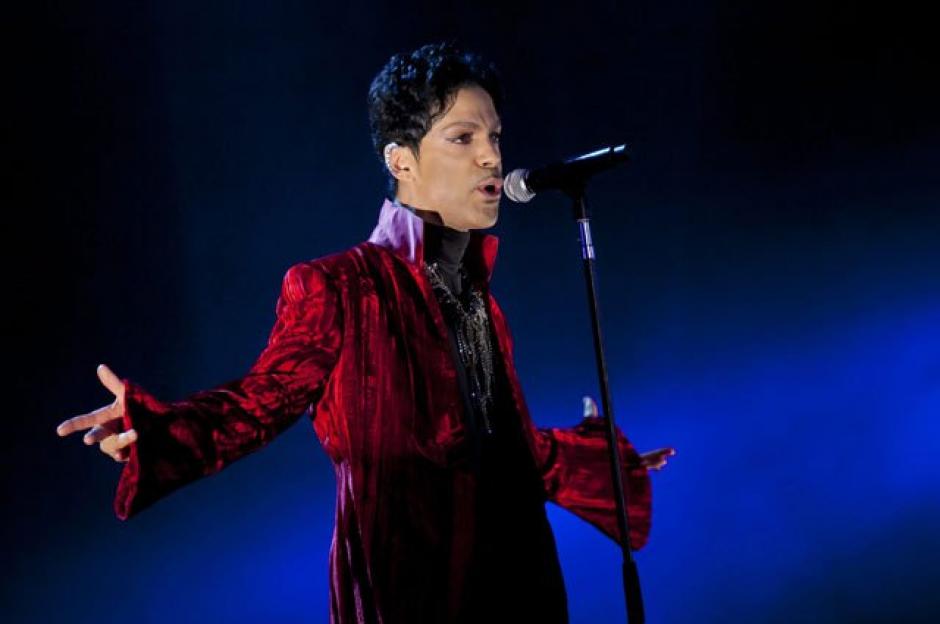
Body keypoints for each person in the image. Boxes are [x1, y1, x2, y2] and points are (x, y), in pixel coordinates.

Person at [57, 41, 675, 623]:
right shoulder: (341, 285)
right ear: (400, 159)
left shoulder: (481, 299)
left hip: (521, 583)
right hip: (416, 591)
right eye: (463, 138)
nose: (491, 156)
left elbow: (499, 449)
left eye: (494, 137)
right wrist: (156, 431)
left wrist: (605, 463)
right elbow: (260, 401)